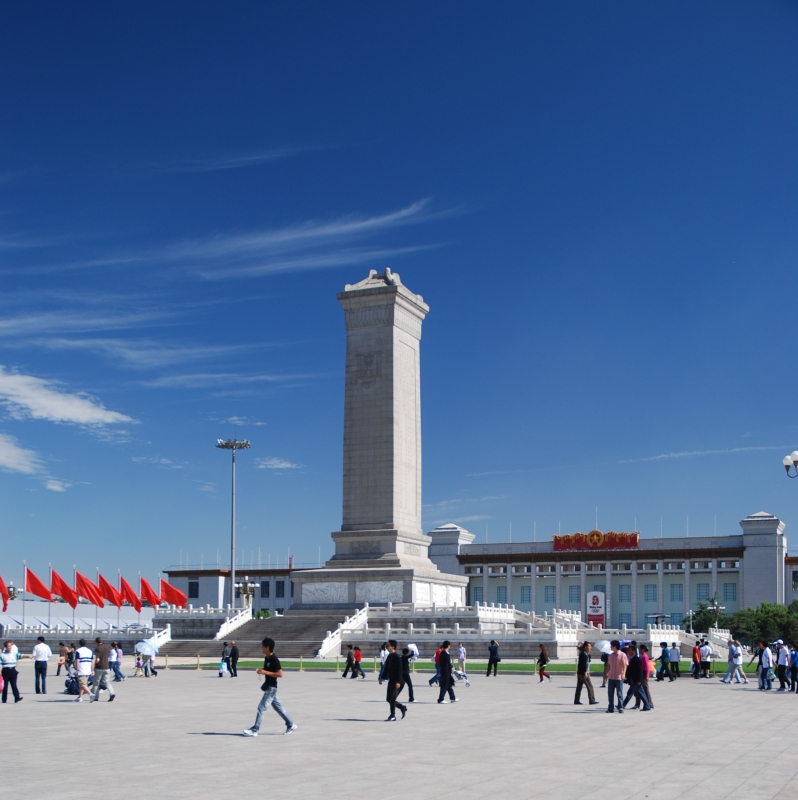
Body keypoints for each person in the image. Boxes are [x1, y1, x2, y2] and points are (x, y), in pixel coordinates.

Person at [242, 637, 297, 736]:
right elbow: (267, 670)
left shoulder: (274, 660)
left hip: (272, 688)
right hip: (269, 687)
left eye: (263, 646)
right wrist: (261, 670)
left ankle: (254, 730)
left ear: (267, 647)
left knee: (261, 708)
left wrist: (266, 672)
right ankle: (291, 724)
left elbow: (280, 674)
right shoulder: (266, 658)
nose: (261, 648)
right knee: (278, 708)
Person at [380, 640, 407, 721]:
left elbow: (399, 670)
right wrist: (382, 677)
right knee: (389, 699)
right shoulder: (390, 656)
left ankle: (393, 715)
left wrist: (398, 681)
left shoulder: (397, 657)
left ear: (392, 646)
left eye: (388, 645)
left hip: (398, 681)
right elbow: (386, 669)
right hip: (392, 680)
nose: (387, 647)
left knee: (392, 698)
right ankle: (402, 707)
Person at [622, 644, 651, 711]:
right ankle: (647, 706)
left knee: (630, 693)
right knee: (641, 693)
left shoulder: (636, 659)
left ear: (634, 651)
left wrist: (639, 680)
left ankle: (622, 705)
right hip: (635, 680)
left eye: (630, 650)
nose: (628, 651)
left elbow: (640, 671)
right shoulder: (632, 658)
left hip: (636, 680)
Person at [91, 637, 116, 703]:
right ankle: (112, 693)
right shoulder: (106, 648)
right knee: (107, 682)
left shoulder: (97, 648)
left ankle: (95, 697)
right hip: (106, 667)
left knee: (96, 683)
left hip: (99, 667)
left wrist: (94, 664)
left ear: (96, 642)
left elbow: (98, 659)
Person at [606, 639, 628, 713]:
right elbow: (609, 665)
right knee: (610, 693)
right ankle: (610, 708)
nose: (610, 647)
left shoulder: (622, 655)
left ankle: (620, 707)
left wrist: (623, 673)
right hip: (612, 676)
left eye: (611, 646)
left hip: (619, 676)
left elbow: (625, 665)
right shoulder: (611, 655)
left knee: (619, 693)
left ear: (615, 646)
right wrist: (608, 672)